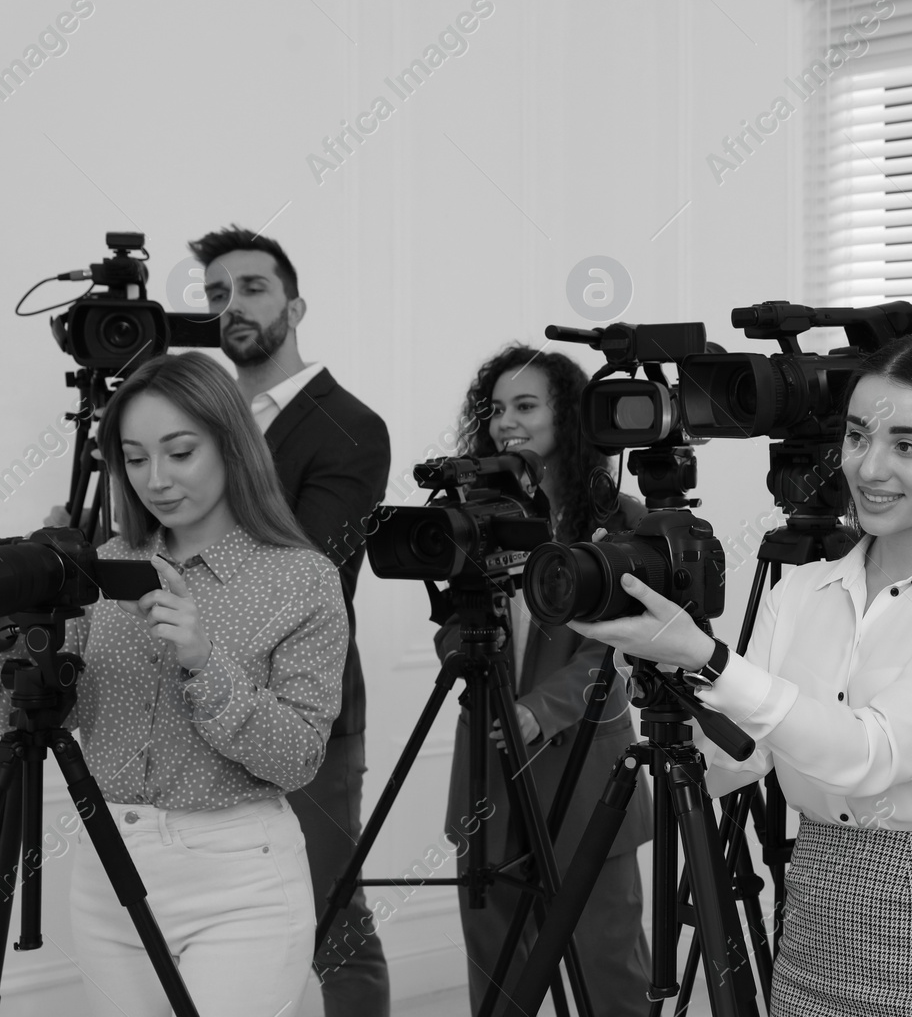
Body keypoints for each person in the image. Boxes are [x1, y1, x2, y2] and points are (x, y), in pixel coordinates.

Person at [570, 333, 912, 1017]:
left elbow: (872, 754)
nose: (871, 468)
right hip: (819, 894)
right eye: (858, 437)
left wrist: (708, 659)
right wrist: (660, 679)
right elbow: (732, 762)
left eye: (908, 446)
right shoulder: (801, 590)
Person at [34, 351, 346, 1016]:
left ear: (232, 445)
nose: (157, 479)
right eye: (136, 457)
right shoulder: (99, 571)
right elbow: (44, 716)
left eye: (180, 452)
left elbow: (298, 759)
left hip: (241, 877)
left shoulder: (301, 579)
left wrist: (205, 661)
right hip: (107, 870)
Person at [188, 225, 392, 1015]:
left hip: (304, 705)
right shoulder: (199, 423)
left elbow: (305, 573)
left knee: (330, 919)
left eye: (251, 287)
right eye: (215, 293)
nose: (231, 305)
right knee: (218, 916)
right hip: (196, 696)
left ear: (295, 304)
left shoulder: (349, 425)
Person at [434, 344, 652, 1015]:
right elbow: (453, 627)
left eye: (525, 406)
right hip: (491, 770)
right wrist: (476, 670)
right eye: (496, 409)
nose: (506, 423)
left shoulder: (623, 520)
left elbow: (617, 648)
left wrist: (538, 710)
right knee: (499, 975)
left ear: (569, 417)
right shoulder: (471, 515)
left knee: (607, 966)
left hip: (588, 773)